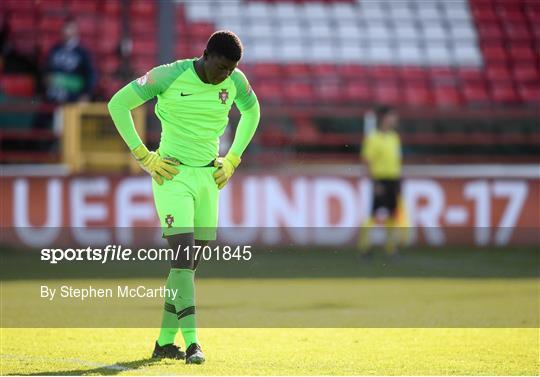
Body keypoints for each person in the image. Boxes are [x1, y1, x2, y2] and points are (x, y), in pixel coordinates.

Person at [107, 30, 260, 364]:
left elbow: (253, 112)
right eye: (221, 67)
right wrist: (144, 156)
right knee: (181, 261)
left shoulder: (234, 81)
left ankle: (164, 342)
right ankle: (193, 343)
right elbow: (118, 104)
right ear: (206, 54)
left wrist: (232, 159)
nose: (225, 76)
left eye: (231, 70)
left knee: (187, 268)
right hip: (172, 176)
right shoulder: (168, 75)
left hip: (210, 178)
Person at [358, 105, 402, 257]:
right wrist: (374, 182)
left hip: (393, 179)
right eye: (392, 116)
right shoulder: (373, 138)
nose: (395, 119)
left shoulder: (394, 137)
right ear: (384, 118)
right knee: (373, 213)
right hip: (379, 179)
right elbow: (367, 161)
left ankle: (391, 247)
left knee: (392, 213)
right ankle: (365, 247)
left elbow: (396, 160)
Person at [43, 18, 96, 103]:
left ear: (76, 31)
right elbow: (46, 71)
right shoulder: (55, 50)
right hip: (52, 97)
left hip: (72, 98)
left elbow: (90, 75)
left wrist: (86, 94)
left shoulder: (82, 52)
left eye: (70, 28)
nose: (66, 31)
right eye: (65, 28)